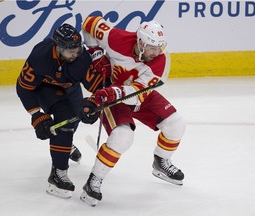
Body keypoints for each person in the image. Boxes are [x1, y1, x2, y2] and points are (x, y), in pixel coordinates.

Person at [80, 16, 187, 206]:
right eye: (152, 47)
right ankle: (93, 181)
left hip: (136, 94)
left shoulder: (160, 61)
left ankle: (161, 162)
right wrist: (95, 52)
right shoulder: (116, 38)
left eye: (160, 47)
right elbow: (89, 23)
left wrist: (115, 91)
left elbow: (138, 94)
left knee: (176, 124)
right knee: (122, 137)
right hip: (114, 94)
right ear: (139, 42)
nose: (157, 52)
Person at [16, 23, 111, 199]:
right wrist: (37, 115)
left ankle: (64, 144)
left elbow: (99, 87)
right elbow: (23, 88)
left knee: (72, 121)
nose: (76, 54)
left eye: (78, 49)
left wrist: (93, 105)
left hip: (71, 86)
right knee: (65, 119)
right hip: (46, 88)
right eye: (71, 51)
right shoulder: (40, 57)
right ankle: (58, 173)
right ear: (58, 48)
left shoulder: (81, 59)